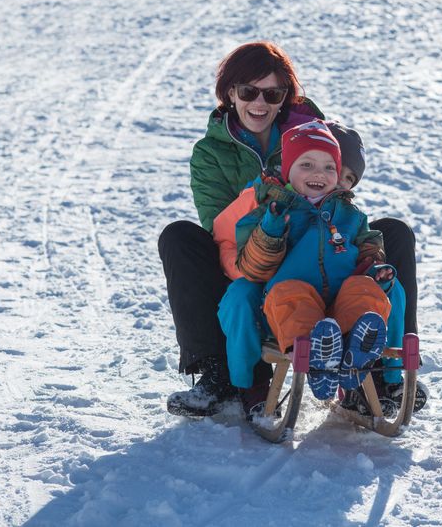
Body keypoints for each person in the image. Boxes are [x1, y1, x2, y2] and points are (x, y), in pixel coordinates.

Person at [158, 41, 421, 417]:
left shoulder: (314, 130)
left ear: (286, 97)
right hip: (252, 257)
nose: (260, 103)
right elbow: (220, 229)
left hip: (321, 249)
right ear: (230, 93)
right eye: (248, 91)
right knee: (180, 237)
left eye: (272, 93)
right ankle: (218, 375)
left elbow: (339, 184)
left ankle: (383, 374)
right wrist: (261, 268)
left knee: (393, 232)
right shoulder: (210, 153)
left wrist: (353, 250)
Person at [213, 121, 410, 419]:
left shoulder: (351, 215)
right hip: (290, 304)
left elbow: (368, 245)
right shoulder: (271, 211)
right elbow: (253, 267)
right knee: (291, 293)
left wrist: (374, 267)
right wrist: (271, 229)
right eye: (307, 165)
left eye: (331, 168)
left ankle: (355, 348)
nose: (320, 174)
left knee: (365, 289)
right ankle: (319, 357)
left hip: (340, 304)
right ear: (288, 170)